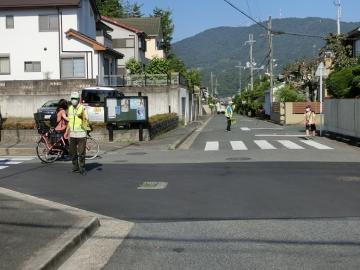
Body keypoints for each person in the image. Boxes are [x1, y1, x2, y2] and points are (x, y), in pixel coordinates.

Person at [66, 92, 88, 175]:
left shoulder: (83, 108)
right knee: (72, 152)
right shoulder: (70, 108)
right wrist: (67, 131)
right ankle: (75, 167)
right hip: (72, 134)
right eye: (72, 98)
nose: (73, 100)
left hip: (81, 133)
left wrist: (82, 116)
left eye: (75, 98)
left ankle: (82, 167)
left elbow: (87, 119)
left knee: (81, 152)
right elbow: (69, 121)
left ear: (78, 99)